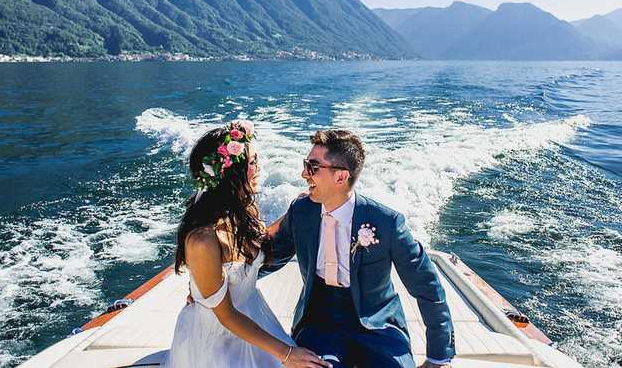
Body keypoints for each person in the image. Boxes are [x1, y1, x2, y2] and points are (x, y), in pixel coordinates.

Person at [261, 129, 455, 368]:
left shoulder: (387, 223)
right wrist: (226, 279)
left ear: (341, 177)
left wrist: (438, 356)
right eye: (305, 165)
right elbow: (271, 258)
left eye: (313, 167)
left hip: (378, 326)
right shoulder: (301, 211)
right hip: (319, 323)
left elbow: (427, 286)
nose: (304, 174)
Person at [164, 120, 332, 368]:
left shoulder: (242, 209)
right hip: (217, 338)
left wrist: (298, 209)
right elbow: (226, 315)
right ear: (232, 173)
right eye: (253, 163)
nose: (259, 168)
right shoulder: (202, 240)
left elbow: (259, 241)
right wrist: (286, 354)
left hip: (255, 319)